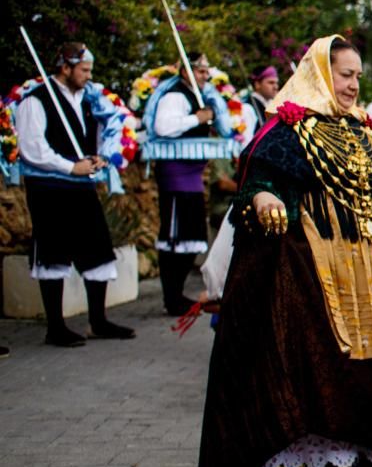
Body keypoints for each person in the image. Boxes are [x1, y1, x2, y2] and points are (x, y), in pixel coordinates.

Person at [197, 34, 372, 467]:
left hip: (362, 270)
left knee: (349, 366)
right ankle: (299, 466)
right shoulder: (288, 128)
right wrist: (263, 198)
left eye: (358, 77)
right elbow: (254, 182)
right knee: (309, 358)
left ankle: (345, 455)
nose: (353, 85)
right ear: (321, 72)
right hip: (306, 267)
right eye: (346, 75)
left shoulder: (360, 130)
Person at [16, 42, 135, 346]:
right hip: (49, 186)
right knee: (53, 251)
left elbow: (103, 130)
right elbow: (33, 148)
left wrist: (98, 158)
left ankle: (98, 321)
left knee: (96, 247)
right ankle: (55, 327)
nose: (88, 75)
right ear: (65, 68)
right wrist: (71, 167)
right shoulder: (36, 100)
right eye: (83, 69)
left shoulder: (89, 98)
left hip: (81, 184)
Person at [147, 52, 231, 316]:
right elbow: (164, 127)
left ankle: (177, 293)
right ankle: (171, 297)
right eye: (200, 71)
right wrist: (198, 118)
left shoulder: (201, 95)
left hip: (193, 175)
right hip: (175, 174)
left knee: (192, 234)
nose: (205, 76)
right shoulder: (174, 95)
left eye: (207, 71)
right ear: (185, 71)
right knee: (175, 237)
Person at [242, 65, 280, 139]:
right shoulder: (248, 108)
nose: (276, 87)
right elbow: (246, 141)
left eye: (276, 83)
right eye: (271, 83)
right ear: (257, 84)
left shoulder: (273, 105)